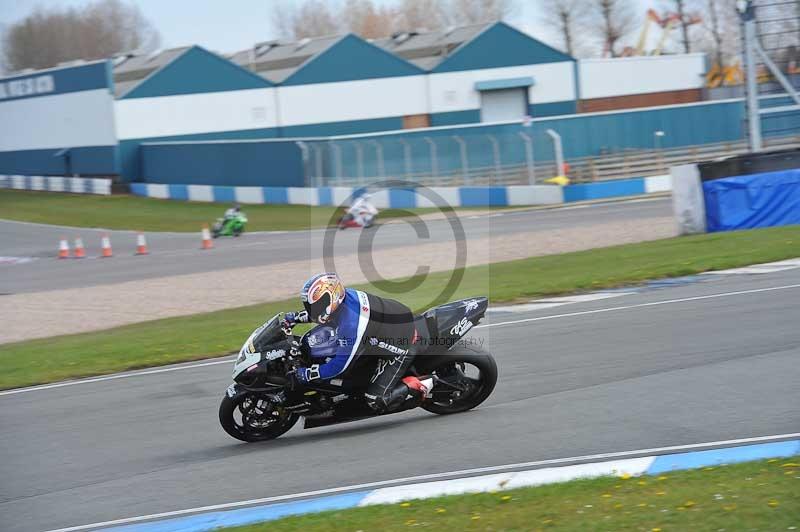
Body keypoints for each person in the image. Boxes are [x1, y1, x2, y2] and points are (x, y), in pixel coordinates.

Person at [282, 272, 431, 414]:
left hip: (403, 343)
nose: (311, 309)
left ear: (331, 299)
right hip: (390, 322)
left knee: (375, 400)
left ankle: (422, 385)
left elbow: (339, 366)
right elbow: (322, 313)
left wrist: (308, 374)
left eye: (316, 305)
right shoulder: (343, 299)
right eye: (309, 306)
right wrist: (296, 317)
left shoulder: (352, 325)